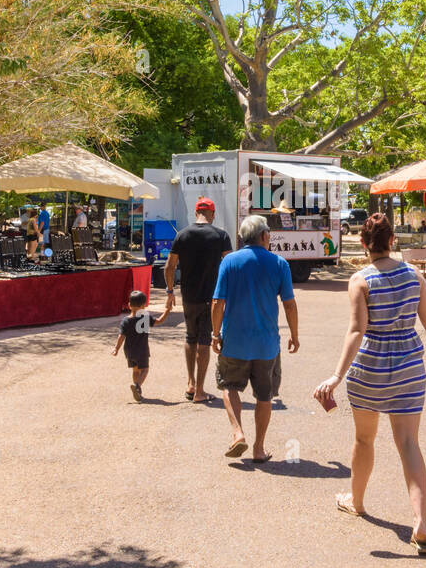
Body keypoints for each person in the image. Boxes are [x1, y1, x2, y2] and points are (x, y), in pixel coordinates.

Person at [313, 213, 426, 555]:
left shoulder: (360, 280)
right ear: (393, 241)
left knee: (364, 439)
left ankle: (356, 501)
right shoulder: (415, 276)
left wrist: (336, 375)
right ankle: (420, 521)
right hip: (408, 366)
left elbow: (357, 331)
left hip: (369, 369)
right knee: (408, 443)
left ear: (362, 244)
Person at [210, 214, 299, 462]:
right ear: (263, 236)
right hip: (267, 345)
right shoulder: (280, 264)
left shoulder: (229, 262)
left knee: (229, 386)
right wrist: (294, 335)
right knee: (264, 395)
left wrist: (215, 334)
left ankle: (238, 432)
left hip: (234, 341)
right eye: (269, 234)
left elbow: (218, 302)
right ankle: (259, 449)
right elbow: (289, 305)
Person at [164, 197, 233, 403]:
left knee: (189, 337)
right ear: (212, 214)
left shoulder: (182, 235)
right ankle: (200, 391)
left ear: (196, 213)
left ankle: (191, 383)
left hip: (188, 296)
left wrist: (169, 292)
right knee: (204, 340)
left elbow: (169, 266)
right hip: (211, 297)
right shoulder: (221, 235)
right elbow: (230, 264)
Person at [112, 289, 171, 402]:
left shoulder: (125, 321)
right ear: (144, 306)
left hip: (129, 351)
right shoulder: (145, 318)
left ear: (129, 305)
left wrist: (116, 348)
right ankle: (137, 386)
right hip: (142, 350)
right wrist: (167, 310)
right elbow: (160, 320)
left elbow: (121, 336)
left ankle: (137, 388)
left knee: (135, 370)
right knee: (144, 370)